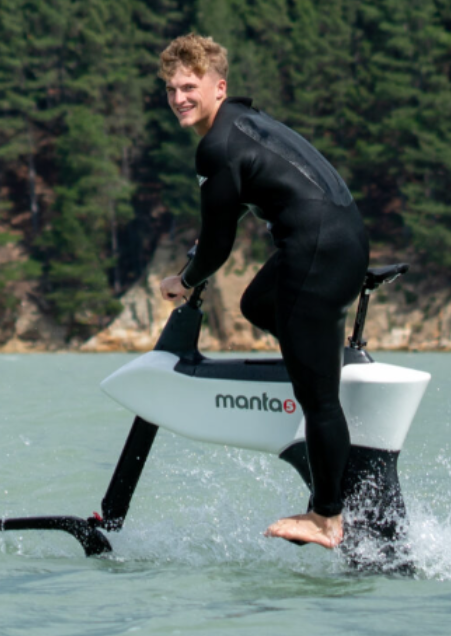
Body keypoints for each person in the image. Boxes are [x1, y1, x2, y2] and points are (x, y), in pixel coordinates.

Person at [157, 34, 369, 549]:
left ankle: (326, 518)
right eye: (170, 89)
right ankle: (317, 358)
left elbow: (217, 244)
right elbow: (219, 224)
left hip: (317, 254)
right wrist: (198, 258)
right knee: (256, 303)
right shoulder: (243, 120)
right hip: (343, 238)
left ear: (218, 87)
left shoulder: (216, 146)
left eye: (189, 86)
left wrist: (183, 283)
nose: (179, 97)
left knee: (316, 399)